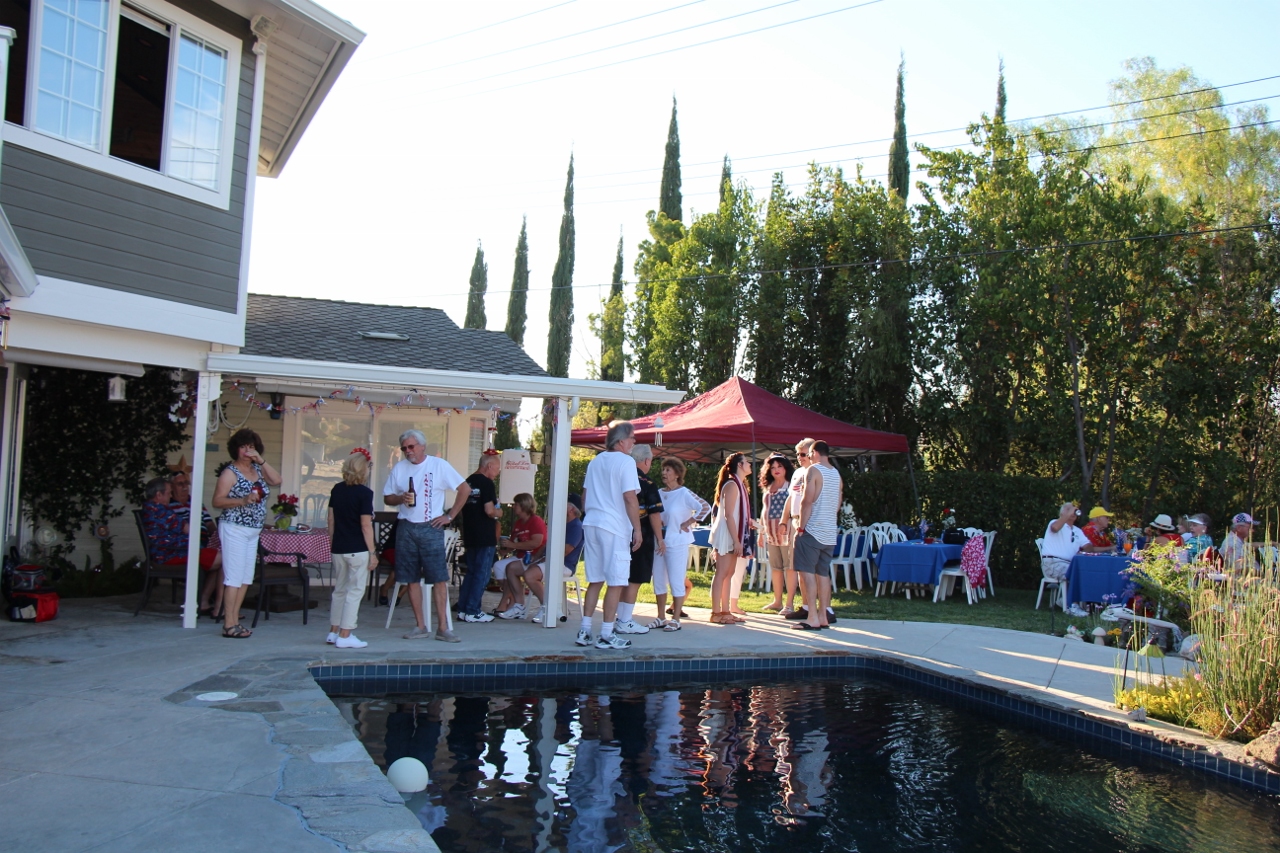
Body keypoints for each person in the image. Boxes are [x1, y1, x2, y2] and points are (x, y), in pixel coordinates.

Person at [384, 429, 471, 642]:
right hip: (406, 526)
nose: (408, 451)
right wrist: (399, 499)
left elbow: (464, 489)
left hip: (431, 527)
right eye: (404, 448)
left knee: (439, 578)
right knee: (410, 578)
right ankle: (421, 626)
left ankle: (443, 628)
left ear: (422, 446)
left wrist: (449, 516)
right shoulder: (400, 468)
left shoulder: (438, 465)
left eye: (411, 447)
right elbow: (387, 497)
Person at [211, 429, 281, 638]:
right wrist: (241, 501)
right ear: (236, 449)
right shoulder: (230, 473)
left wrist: (261, 460)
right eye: (242, 447)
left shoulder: (257, 470)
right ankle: (228, 624)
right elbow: (217, 501)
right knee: (233, 577)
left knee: (245, 578)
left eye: (250, 447)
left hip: (252, 531)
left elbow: (277, 480)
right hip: (234, 528)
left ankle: (234, 619)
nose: (246, 451)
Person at [579, 420, 643, 650]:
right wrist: (637, 528)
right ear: (621, 441)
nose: (634, 441)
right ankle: (606, 633)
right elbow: (630, 498)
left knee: (595, 579)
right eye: (632, 437)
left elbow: (584, 498)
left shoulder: (595, 462)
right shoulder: (626, 462)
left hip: (592, 524)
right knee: (616, 581)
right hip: (614, 527)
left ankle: (585, 630)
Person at [504, 493, 586, 624]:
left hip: (563, 565)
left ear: (571, 509)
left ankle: (547, 607)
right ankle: (519, 606)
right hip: (547, 560)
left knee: (530, 575)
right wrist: (536, 558)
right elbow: (545, 544)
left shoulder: (576, 526)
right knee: (511, 568)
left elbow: (566, 551)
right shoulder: (560, 524)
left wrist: (545, 560)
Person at [325, 448, 378, 649]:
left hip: (339, 547)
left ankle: (333, 631)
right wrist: (372, 552)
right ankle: (346, 634)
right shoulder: (365, 493)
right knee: (354, 591)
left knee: (339, 590)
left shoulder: (337, 489)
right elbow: (366, 525)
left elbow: (331, 519)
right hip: (357, 549)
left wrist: (333, 542)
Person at [614, 444, 665, 635]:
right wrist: (660, 539)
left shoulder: (620, 478)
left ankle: (615, 618)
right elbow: (654, 513)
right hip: (640, 536)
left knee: (619, 578)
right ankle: (625, 620)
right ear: (646, 460)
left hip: (618, 533)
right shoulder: (647, 483)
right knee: (634, 579)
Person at [654, 458, 710, 632]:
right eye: (663, 470)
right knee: (658, 581)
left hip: (677, 542)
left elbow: (705, 507)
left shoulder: (684, 493)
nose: (664, 473)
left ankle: (676, 619)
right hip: (659, 542)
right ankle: (661, 617)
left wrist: (689, 522)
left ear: (677, 474)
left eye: (668, 470)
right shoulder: (658, 493)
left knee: (676, 581)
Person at [792, 440, 840, 631]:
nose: (808, 457)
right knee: (823, 574)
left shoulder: (814, 471)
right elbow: (837, 502)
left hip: (812, 530)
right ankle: (823, 616)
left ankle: (812, 617)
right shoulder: (836, 474)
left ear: (815, 452)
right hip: (829, 532)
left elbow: (806, 501)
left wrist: (801, 528)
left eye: (809, 454)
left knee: (807, 573)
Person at [168, 470, 222, 618]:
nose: (185, 487)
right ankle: (206, 601)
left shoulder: (196, 502)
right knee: (223, 559)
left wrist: (216, 533)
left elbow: (209, 522)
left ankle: (205, 600)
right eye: (180, 484)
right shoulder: (169, 506)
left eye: (187, 483)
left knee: (223, 554)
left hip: (205, 542)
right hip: (186, 546)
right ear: (172, 486)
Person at [456, 451, 502, 623]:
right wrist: (500, 512)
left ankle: (463, 608)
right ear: (489, 466)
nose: (497, 472)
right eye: (497, 469)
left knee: (471, 572)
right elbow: (490, 511)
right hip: (484, 534)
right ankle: (473, 610)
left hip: (469, 532)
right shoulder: (487, 483)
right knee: (482, 573)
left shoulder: (468, 481)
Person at [709, 453, 753, 625]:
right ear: (740, 465)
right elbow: (728, 515)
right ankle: (715, 612)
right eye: (747, 462)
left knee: (729, 573)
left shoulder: (738, 484)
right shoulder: (732, 484)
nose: (750, 464)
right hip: (728, 534)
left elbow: (735, 513)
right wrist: (736, 540)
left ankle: (725, 611)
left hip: (733, 533)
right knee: (721, 573)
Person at [492, 492, 547, 619]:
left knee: (510, 568)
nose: (513, 506)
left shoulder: (536, 521)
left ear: (523, 505)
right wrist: (506, 549)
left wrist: (514, 546)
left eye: (515, 504)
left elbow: (536, 542)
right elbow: (515, 542)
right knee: (499, 566)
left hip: (534, 557)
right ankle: (515, 601)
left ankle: (514, 603)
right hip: (521, 556)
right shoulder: (518, 523)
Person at [759, 454, 797, 614]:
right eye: (772, 467)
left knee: (789, 567)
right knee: (775, 567)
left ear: (786, 467)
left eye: (779, 466)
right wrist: (761, 532)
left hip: (786, 531)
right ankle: (777, 601)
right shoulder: (768, 487)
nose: (776, 470)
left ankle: (789, 603)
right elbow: (764, 511)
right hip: (770, 533)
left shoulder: (791, 486)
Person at [784, 439, 816, 622]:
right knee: (799, 569)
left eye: (803, 454)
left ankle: (815, 608)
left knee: (810, 569)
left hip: (809, 523)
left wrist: (804, 524)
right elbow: (791, 498)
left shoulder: (816, 473)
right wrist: (784, 520)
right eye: (797, 454)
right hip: (795, 522)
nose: (800, 457)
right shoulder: (797, 472)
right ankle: (805, 606)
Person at [1040, 503, 1083, 611]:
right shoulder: (1055, 523)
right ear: (1062, 513)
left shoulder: (1076, 530)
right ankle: (1072, 605)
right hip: (1052, 564)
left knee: (1085, 572)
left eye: (1073, 510)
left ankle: (1064, 601)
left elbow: (1088, 547)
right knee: (1076, 573)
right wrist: (1068, 513)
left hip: (1067, 565)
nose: (1072, 512)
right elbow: (1055, 528)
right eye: (1068, 509)